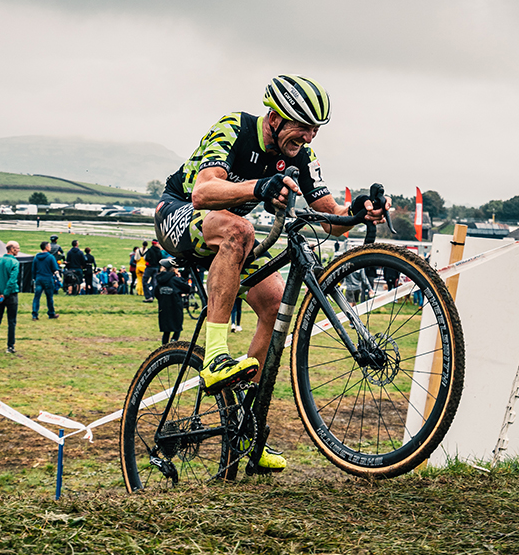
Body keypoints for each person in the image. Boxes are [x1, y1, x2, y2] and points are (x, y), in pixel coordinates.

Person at [152, 74, 388, 472]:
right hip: (178, 214)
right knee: (239, 228)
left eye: (315, 129)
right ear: (275, 119)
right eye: (302, 126)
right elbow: (203, 193)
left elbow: (328, 217)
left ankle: (248, 429)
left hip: (228, 232)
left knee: (276, 303)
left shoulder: (301, 156)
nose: (310, 137)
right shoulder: (235, 128)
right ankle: (214, 356)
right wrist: (259, 186)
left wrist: (358, 211)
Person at [0, 241, 21, 354]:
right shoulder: (14, 262)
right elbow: (12, 280)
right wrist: (5, 293)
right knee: (11, 321)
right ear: (11, 249)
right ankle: (10, 346)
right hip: (11, 295)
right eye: (17, 248)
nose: (18, 250)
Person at [153, 261, 190, 344]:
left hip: (163, 307)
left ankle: (164, 346)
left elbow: (156, 293)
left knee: (166, 330)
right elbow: (187, 288)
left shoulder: (160, 280)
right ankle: (174, 341)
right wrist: (181, 278)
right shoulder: (175, 280)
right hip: (175, 307)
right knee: (177, 328)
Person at [31, 240, 61, 321]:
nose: (50, 247)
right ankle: (51, 313)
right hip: (48, 278)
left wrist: (34, 278)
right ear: (46, 247)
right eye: (49, 246)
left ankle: (34, 314)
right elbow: (55, 269)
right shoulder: (50, 257)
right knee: (49, 297)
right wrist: (59, 278)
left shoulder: (36, 257)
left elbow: (33, 269)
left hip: (39, 279)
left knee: (37, 297)